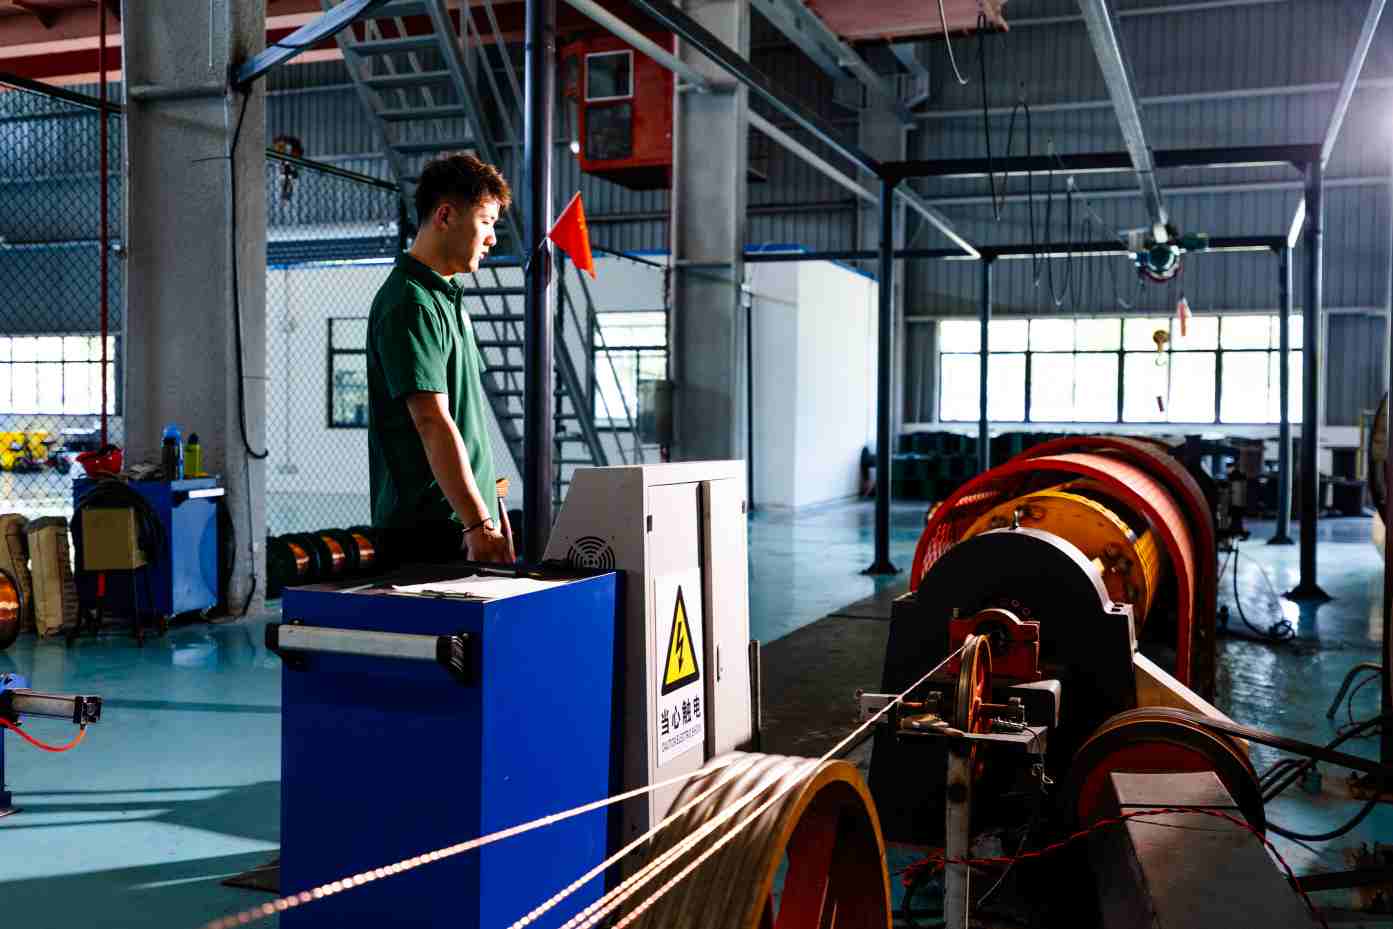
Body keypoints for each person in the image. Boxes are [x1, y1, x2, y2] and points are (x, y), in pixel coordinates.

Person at [366, 153, 513, 564]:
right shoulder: (410, 304)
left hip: (463, 523)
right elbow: (432, 421)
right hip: (431, 532)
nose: (492, 238)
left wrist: (491, 511)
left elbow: (467, 421)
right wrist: (478, 525)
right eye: (486, 222)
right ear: (445, 216)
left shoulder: (446, 300)